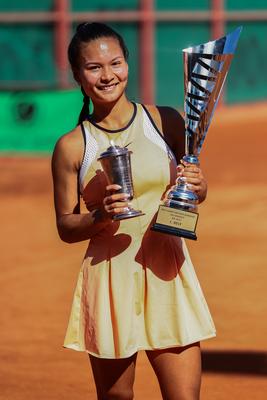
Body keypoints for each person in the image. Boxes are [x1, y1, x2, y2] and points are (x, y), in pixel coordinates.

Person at [52, 22, 216, 400]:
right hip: (111, 282)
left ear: (128, 63)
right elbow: (64, 225)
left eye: (116, 63)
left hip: (168, 275)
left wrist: (198, 187)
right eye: (94, 67)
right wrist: (99, 217)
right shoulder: (72, 147)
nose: (107, 75)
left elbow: (192, 193)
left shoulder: (167, 121)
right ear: (78, 74)